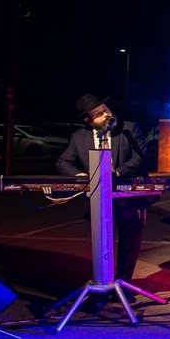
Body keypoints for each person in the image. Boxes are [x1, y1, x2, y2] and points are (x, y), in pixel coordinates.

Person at [55, 93, 149, 282]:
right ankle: (103, 283)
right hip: (99, 199)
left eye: (106, 110)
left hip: (127, 197)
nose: (107, 115)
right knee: (102, 243)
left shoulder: (128, 129)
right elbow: (62, 162)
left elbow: (140, 156)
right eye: (99, 114)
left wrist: (117, 172)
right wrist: (79, 176)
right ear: (88, 120)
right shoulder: (79, 137)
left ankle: (123, 284)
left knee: (129, 241)